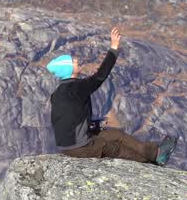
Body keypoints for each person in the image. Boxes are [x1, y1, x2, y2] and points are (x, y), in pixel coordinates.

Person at [46, 26, 178, 165]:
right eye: (72, 61)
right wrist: (114, 48)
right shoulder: (77, 87)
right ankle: (150, 163)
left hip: (71, 144)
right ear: (68, 69)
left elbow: (67, 120)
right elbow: (100, 76)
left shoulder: (59, 93)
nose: (76, 60)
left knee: (116, 135)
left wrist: (91, 125)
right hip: (80, 147)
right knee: (116, 148)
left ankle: (155, 152)